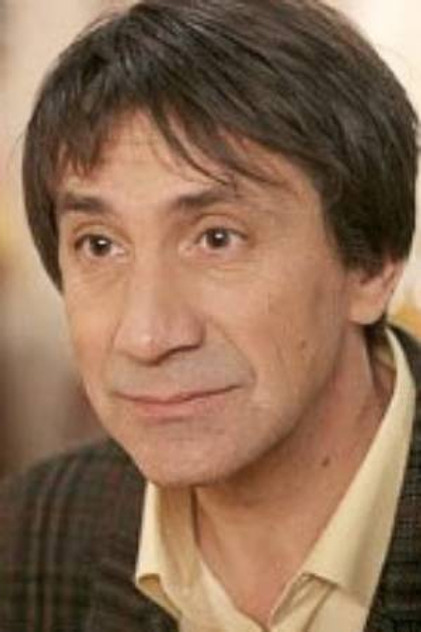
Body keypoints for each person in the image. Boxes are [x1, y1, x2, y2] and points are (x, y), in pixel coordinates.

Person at [0, 0, 420, 630]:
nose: (147, 336)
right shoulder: (25, 541)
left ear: (372, 265)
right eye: (100, 245)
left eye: (218, 238)